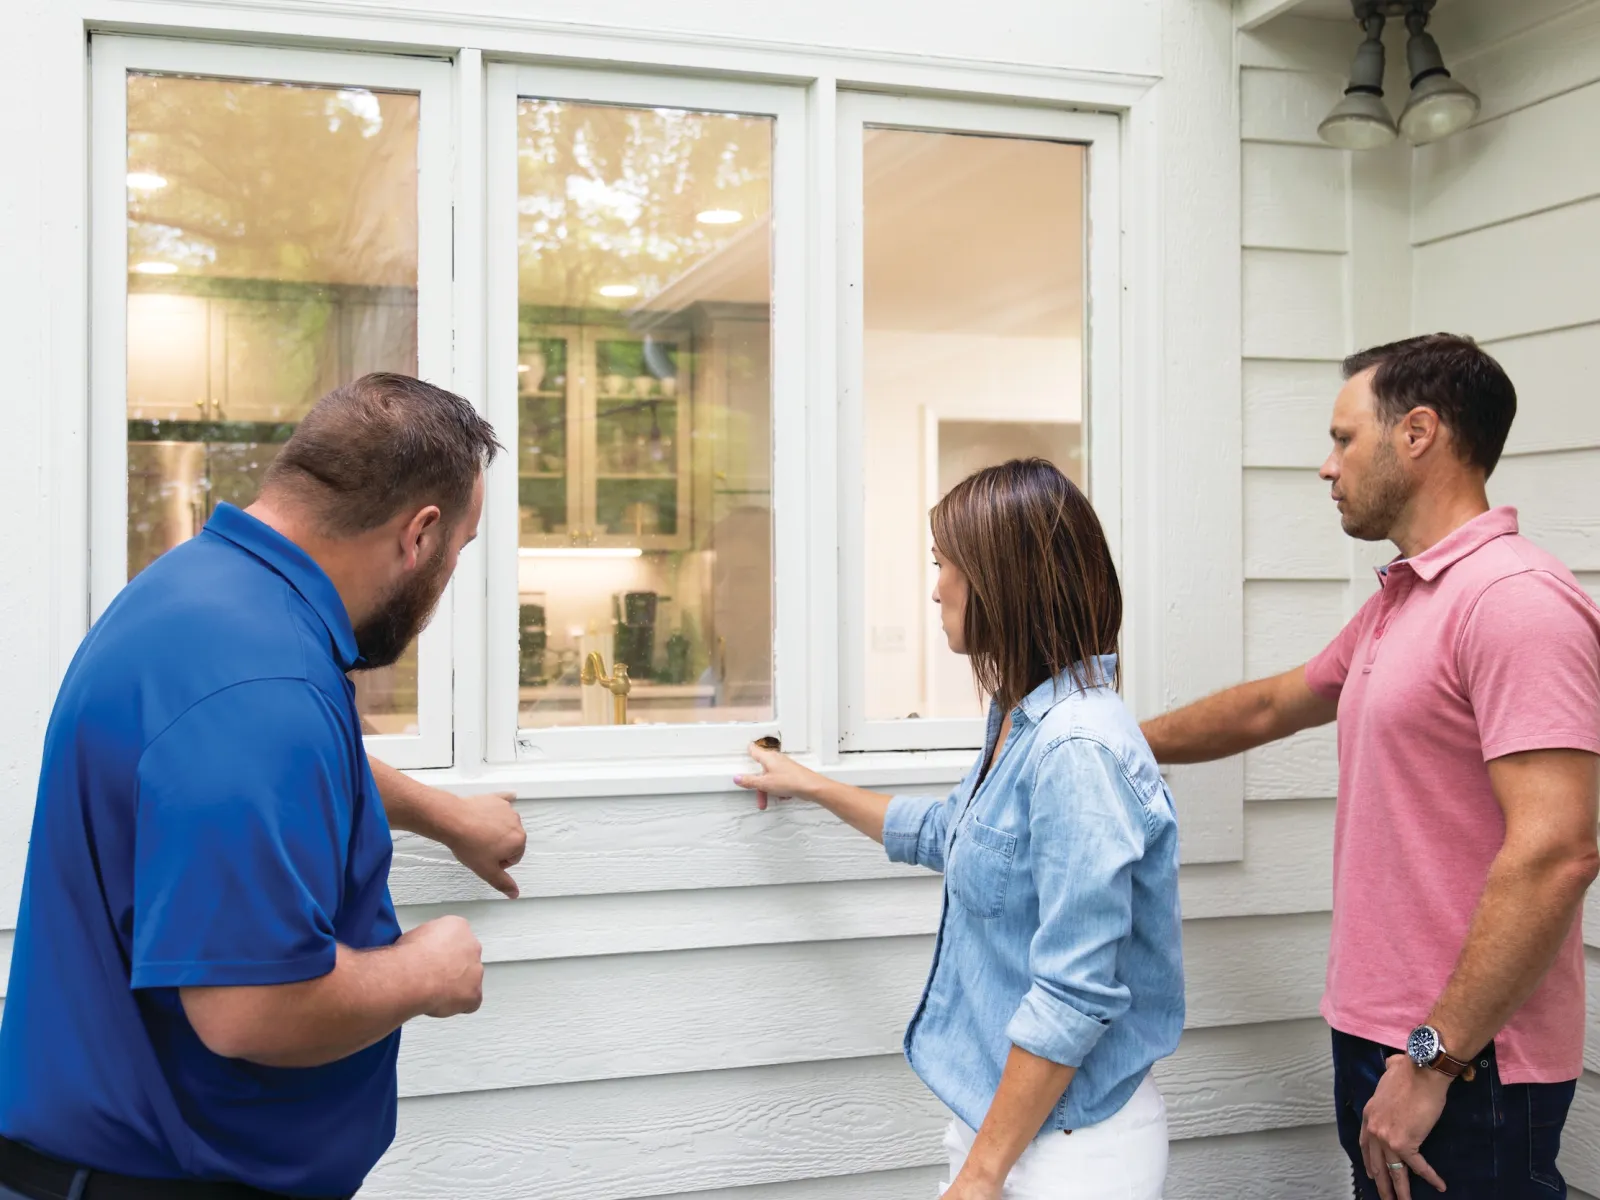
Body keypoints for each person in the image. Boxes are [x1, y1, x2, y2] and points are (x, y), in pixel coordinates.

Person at [0, 374, 528, 1200]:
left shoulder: (204, 595)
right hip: (155, 1180)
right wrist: (428, 970)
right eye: (459, 552)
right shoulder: (261, 688)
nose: (445, 580)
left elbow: (273, 761)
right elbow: (252, 1010)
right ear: (420, 534)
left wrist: (443, 814)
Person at [1141, 334, 1600, 1200]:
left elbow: (1559, 852)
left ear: (1418, 433)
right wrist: (1109, 739)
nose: (1327, 466)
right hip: (1387, 1035)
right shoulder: (1410, 598)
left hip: (1469, 1060)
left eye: (1344, 438)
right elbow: (1272, 705)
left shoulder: (1515, 603)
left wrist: (1433, 1060)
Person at [737, 458, 1183, 1200]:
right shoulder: (1024, 717)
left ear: (1001, 581)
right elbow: (954, 833)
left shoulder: (1077, 750)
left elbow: (1074, 994)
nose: (934, 585)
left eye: (944, 564)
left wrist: (980, 1176)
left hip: (1069, 1148)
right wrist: (810, 784)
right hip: (1006, 1125)